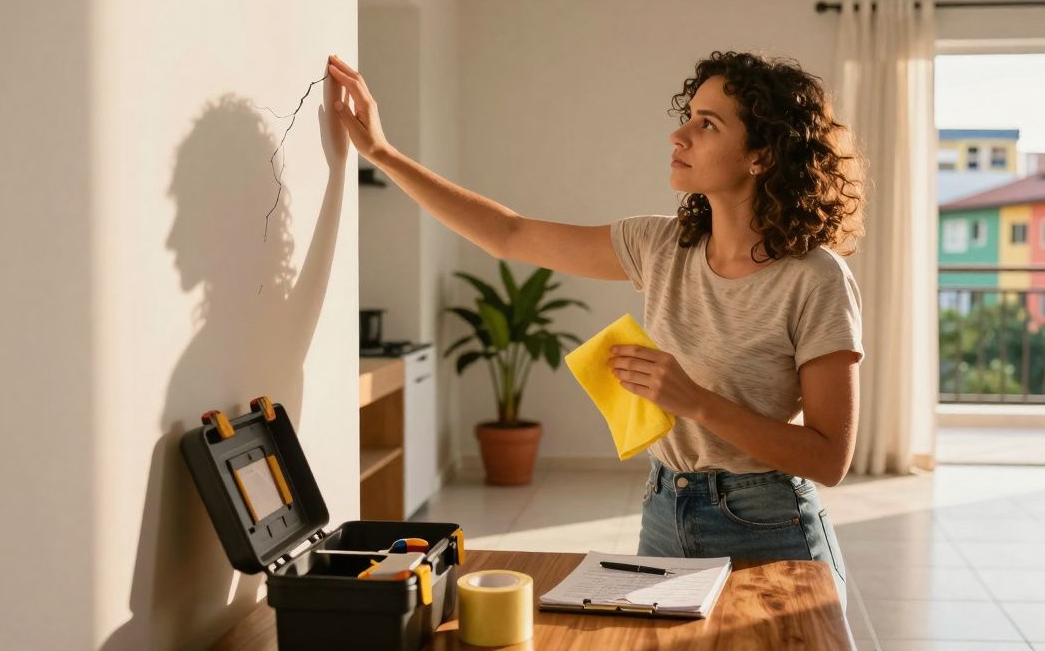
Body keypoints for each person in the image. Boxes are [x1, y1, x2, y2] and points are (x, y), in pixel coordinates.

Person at [325, 50, 865, 604]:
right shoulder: (659, 245)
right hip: (664, 507)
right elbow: (508, 235)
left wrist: (695, 401)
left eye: (707, 124)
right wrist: (383, 154)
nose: (678, 136)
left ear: (761, 155)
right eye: (689, 116)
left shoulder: (816, 279)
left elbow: (828, 459)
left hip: (768, 522)